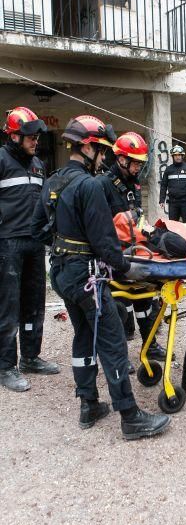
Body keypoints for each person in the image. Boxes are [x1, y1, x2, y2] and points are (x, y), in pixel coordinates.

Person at [31, 115, 170, 440]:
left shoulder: (54, 181)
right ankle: (130, 416)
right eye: (102, 151)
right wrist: (130, 268)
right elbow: (106, 244)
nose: (104, 157)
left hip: (62, 272)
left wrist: (65, 246)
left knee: (83, 337)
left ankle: (88, 404)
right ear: (89, 147)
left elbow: (38, 229)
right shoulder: (90, 186)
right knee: (112, 341)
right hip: (87, 275)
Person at [0, 106, 59, 392]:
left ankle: (31, 357)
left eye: (36, 136)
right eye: (29, 136)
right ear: (13, 136)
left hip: (34, 243)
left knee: (34, 303)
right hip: (6, 243)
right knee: (8, 306)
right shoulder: (0, 160)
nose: (35, 141)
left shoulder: (38, 165)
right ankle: (6, 366)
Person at [96, 131, 167, 362]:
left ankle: (150, 345)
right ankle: (120, 356)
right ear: (122, 159)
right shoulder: (103, 185)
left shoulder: (133, 184)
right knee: (117, 304)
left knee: (144, 298)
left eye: (140, 163)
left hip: (134, 251)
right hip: (113, 255)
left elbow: (137, 219)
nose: (138, 168)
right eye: (136, 163)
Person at [159, 144, 186, 222]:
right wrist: (162, 200)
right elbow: (163, 185)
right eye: (176, 155)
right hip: (173, 202)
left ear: (182, 156)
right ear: (173, 156)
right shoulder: (168, 170)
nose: (178, 157)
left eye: (179, 155)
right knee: (173, 225)